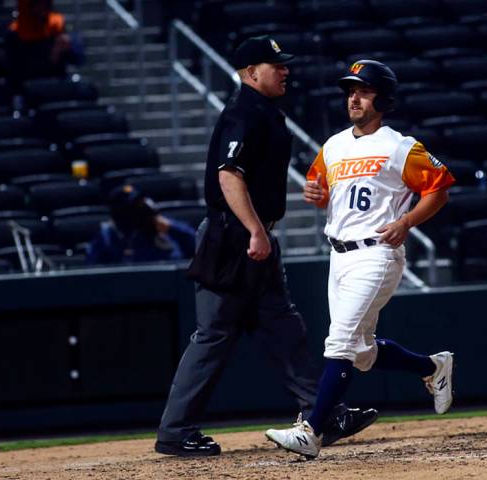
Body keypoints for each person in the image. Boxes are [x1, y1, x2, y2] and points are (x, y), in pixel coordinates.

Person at [154, 37, 378, 457]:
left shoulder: (264, 111)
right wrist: (256, 231)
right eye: (275, 65)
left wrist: (261, 232)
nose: (285, 70)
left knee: (283, 328)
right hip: (233, 236)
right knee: (215, 334)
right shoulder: (244, 111)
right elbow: (229, 175)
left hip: (252, 235)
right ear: (252, 72)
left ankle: (323, 413)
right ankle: (174, 430)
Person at [265, 60, 457, 459]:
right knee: (363, 353)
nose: (353, 96)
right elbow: (321, 188)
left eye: (363, 90)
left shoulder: (400, 146)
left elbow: (439, 189)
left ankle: (311, 432)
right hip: (339, 255)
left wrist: (407, 221)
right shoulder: (333, 145)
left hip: (377, 254)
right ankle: (432, 367)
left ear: (383, 98)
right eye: (350, 90)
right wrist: (317, 196)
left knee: (339, 342)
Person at [86, 184, 196, 265]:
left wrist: (172, 228)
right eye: (135, 206)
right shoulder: (108, 237)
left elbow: (197, 246)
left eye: (140, 204)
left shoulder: (159, 226)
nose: (141, 210)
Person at [4, 0, 83, 87]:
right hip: (27, 85)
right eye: (38, 4)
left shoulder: (56, 26)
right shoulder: (14, 32)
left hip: (56, 83)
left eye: (45, 4)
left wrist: (68, 47)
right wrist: (52, 56)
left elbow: (78, 60)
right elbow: (16, 69)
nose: (41, 8)